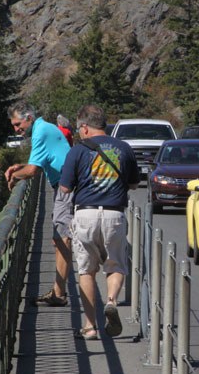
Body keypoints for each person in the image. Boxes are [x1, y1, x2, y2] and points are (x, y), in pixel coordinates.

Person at [59, 104, 140, 340]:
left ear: (85, 127)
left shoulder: (77, 150)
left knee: (86, 270)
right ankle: (112, 301)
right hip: (115, 214)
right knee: (115, 264)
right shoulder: (124, 148)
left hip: (85, 214)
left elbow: (65, 187)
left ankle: (90, 326)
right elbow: (134, 183)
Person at [4, 101, 73, 307]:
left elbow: (33, 171)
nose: (17, 129)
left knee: (61, 240)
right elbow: (41, 163)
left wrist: (15, 176)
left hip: (65, 187)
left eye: (18, 124)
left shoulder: (40, 132)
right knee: (60, 239)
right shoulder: (45, 127)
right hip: (64, 185)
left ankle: (59, 294)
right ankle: (58, 290)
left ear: (29, 118)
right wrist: (21, 167)